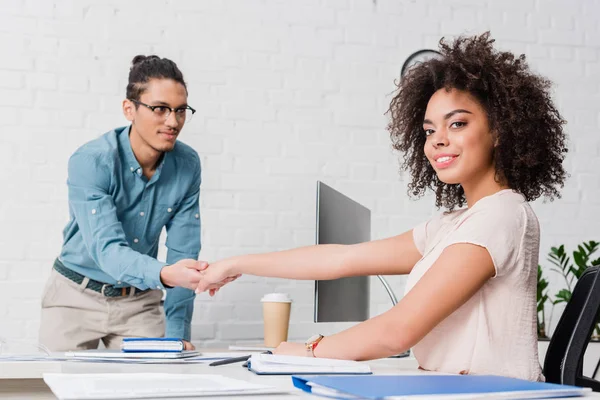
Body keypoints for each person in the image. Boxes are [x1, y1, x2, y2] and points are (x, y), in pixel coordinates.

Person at [194, 32, 568, 381]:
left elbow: (398, 332)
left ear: (499, 129)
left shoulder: (501, 216)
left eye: (457, 124)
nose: (437, 140)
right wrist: (236, 264)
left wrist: (307, 351)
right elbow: (342, 259)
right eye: (429, 130)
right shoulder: (454, 224)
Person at [39, 55, 225, 351]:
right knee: (61, 390)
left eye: (180, 110)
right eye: (160, 109)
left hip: (139, 302)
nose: (173, 121)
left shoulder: (187, 164)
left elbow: (184, 251)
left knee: (153, 389)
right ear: (130, 109)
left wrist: (177, 332)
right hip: (74, 297)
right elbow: (107, 249)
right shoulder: (91, 161)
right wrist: (165, 274)